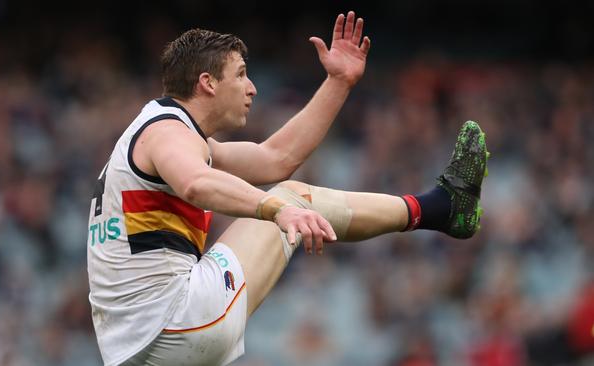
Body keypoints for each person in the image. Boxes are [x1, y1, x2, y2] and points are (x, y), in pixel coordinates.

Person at [87, 11, 489, 366]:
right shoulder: (168, 132)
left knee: (286, 185)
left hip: (132, 349)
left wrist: (338, 82)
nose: (252, 88)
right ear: (207, 83)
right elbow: (195, 183)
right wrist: (277, 208)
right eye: (241, 74)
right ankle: (441, 208)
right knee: (292, 196)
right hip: (176, 320)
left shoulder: (168, 133)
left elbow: (275, 158)